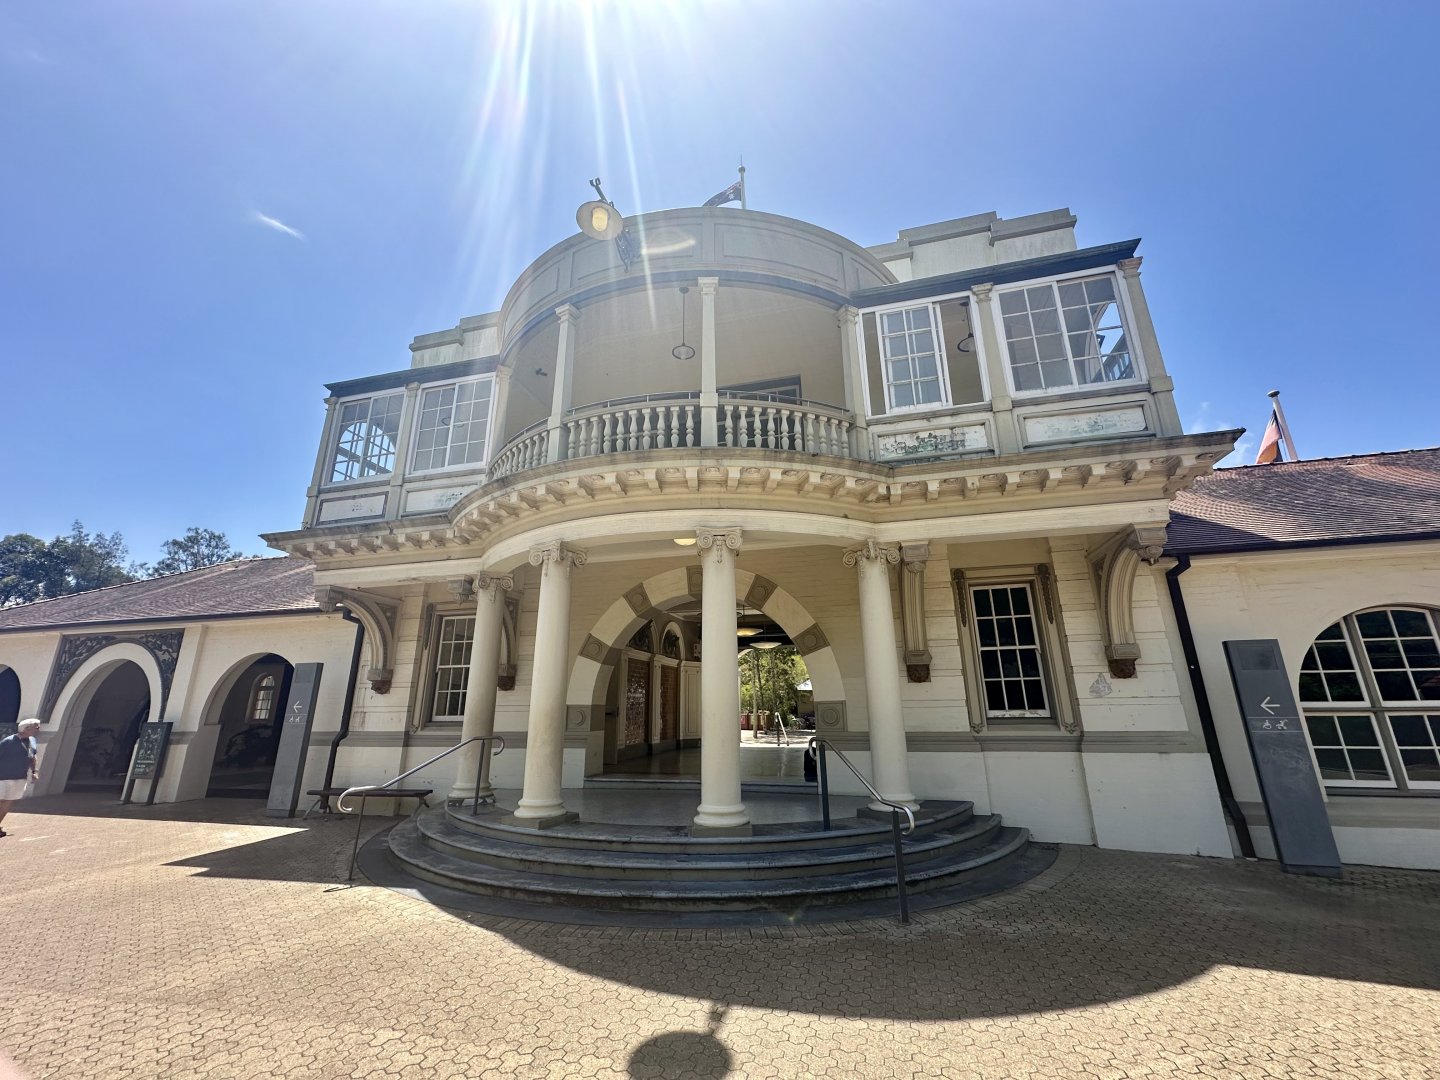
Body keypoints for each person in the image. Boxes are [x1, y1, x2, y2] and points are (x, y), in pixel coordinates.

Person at [0, 718, 41, 838]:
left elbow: (33, 757)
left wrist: (34, 771)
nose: (38, 729)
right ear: (26, 728)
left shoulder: (32, 740)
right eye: (36, 727)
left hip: (19, 777)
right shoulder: (8, 742)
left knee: (8, 802)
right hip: (2, 778)